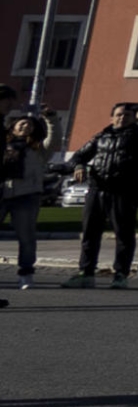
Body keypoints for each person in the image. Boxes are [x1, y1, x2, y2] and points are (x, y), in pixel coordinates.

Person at [68, 103, 138, 286]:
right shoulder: (101, 137)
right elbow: (78, 156)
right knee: (90, 233)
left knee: (124, 235)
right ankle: (86, 272)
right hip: (97, 190)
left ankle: (121, 274)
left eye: (127, 115)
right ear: (112, 118)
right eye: (119, 115)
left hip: (123, 192)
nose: (122, 118)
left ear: (133, 119)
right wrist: (79, 166)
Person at [3, 111, 51, 289]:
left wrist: (51, 119)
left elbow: (53, 139)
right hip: (3, 193)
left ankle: (26, 273)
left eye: (29, 125)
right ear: (13, 126)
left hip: (26, 196)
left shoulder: (37, 149)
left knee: (26, 236)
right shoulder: (5, 145)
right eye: (21, 124)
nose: (25, 127)